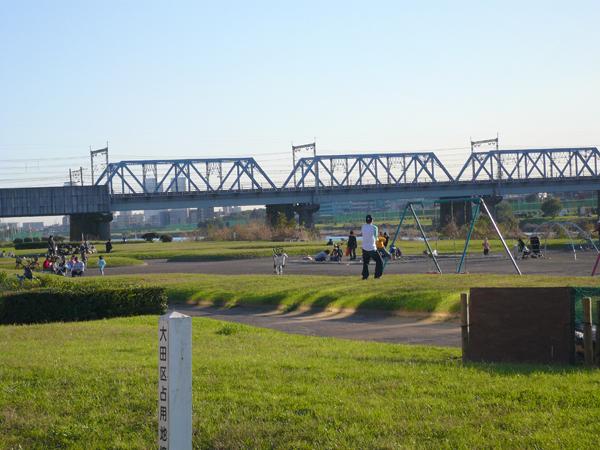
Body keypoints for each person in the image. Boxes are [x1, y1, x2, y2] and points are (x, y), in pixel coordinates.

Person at [361, 214, 383, 279]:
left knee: (365, 263)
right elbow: (376, 238)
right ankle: (377, 275)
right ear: (372, 220)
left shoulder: (363, 227)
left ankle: (365, 276)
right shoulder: (374, 227)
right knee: (379, 261)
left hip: (364, 248)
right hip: (372, 248)